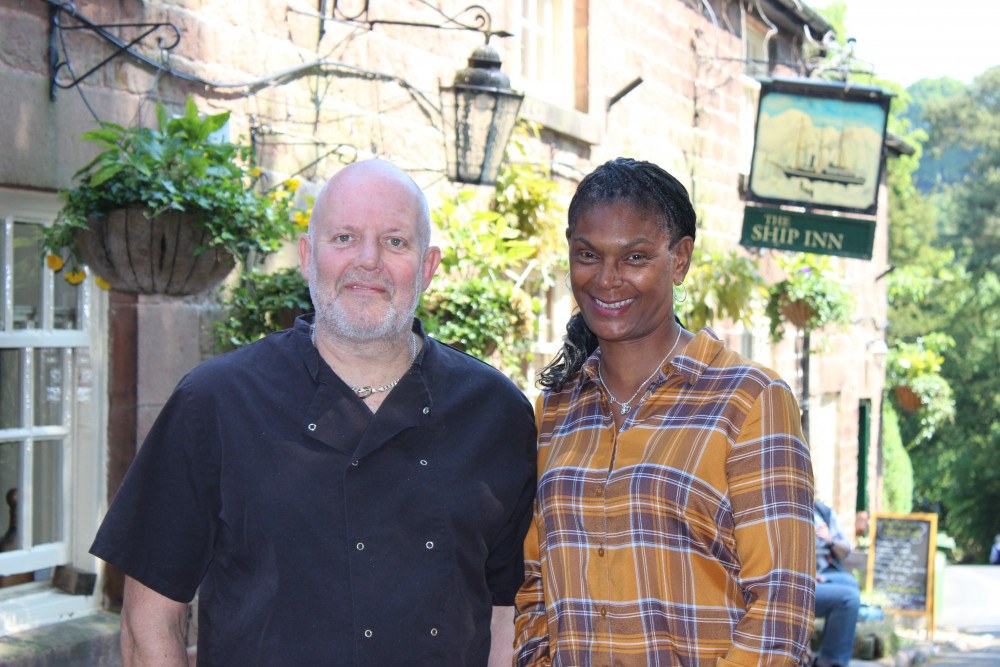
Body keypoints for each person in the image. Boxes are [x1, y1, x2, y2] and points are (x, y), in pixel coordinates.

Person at [90, 159, 537, 666]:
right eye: (344, 238)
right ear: (307, 257)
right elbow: (149, 623)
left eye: (395, 242)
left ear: (428, 267)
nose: (368, 261)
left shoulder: (496, 412)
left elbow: (507, 615)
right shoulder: (214, 402)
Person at [513, 157, 815, 666]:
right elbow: (532, 585)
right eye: (588, 254)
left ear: (679, 259)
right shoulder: (553, 413)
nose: (606, 279)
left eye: (634, 258)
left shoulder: (749, 401)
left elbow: (780, 614)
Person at [813, 500, 862, 667]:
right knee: (849, 599)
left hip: (822, 574)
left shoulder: (822, 513)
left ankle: (831, 656)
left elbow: (845, 551)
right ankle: (830, 662)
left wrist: (830, 540)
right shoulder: (784, 509)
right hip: (798, 582)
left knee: (850, 582)